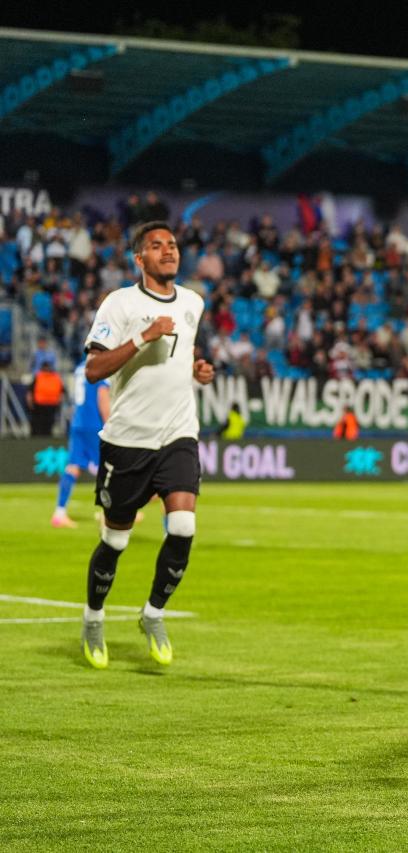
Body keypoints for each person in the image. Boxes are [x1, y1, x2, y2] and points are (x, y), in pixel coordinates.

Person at [78, 221, 216, 670]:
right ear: (139, 259)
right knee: (115, 540)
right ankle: (93, 618)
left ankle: (153, 613)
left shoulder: (193, 302)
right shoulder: (119, 304)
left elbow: (185, 353)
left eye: (172, 245)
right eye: (156, 246)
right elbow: (94, 369)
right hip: (128, 441)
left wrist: (197, 368)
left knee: (182, 528)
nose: (168, 251)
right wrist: (142, 338)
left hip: (177, 434)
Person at [51, 360, 110, 528]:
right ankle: (111, 513)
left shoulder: (80, 368)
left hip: (78, 423)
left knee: (73, 466)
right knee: (107, 468)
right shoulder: (102, 366)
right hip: (94, 425)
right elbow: (102, 398)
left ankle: (59, 512)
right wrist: (109, 424)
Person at [27, 360, 63, 437]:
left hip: (43, 405)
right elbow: (62, 392)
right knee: (45, 425)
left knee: (42, 425)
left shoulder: (40, 377)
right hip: (46, 405)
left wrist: (30, 402)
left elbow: (61, 392)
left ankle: (40, 437)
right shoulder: (54, 377)